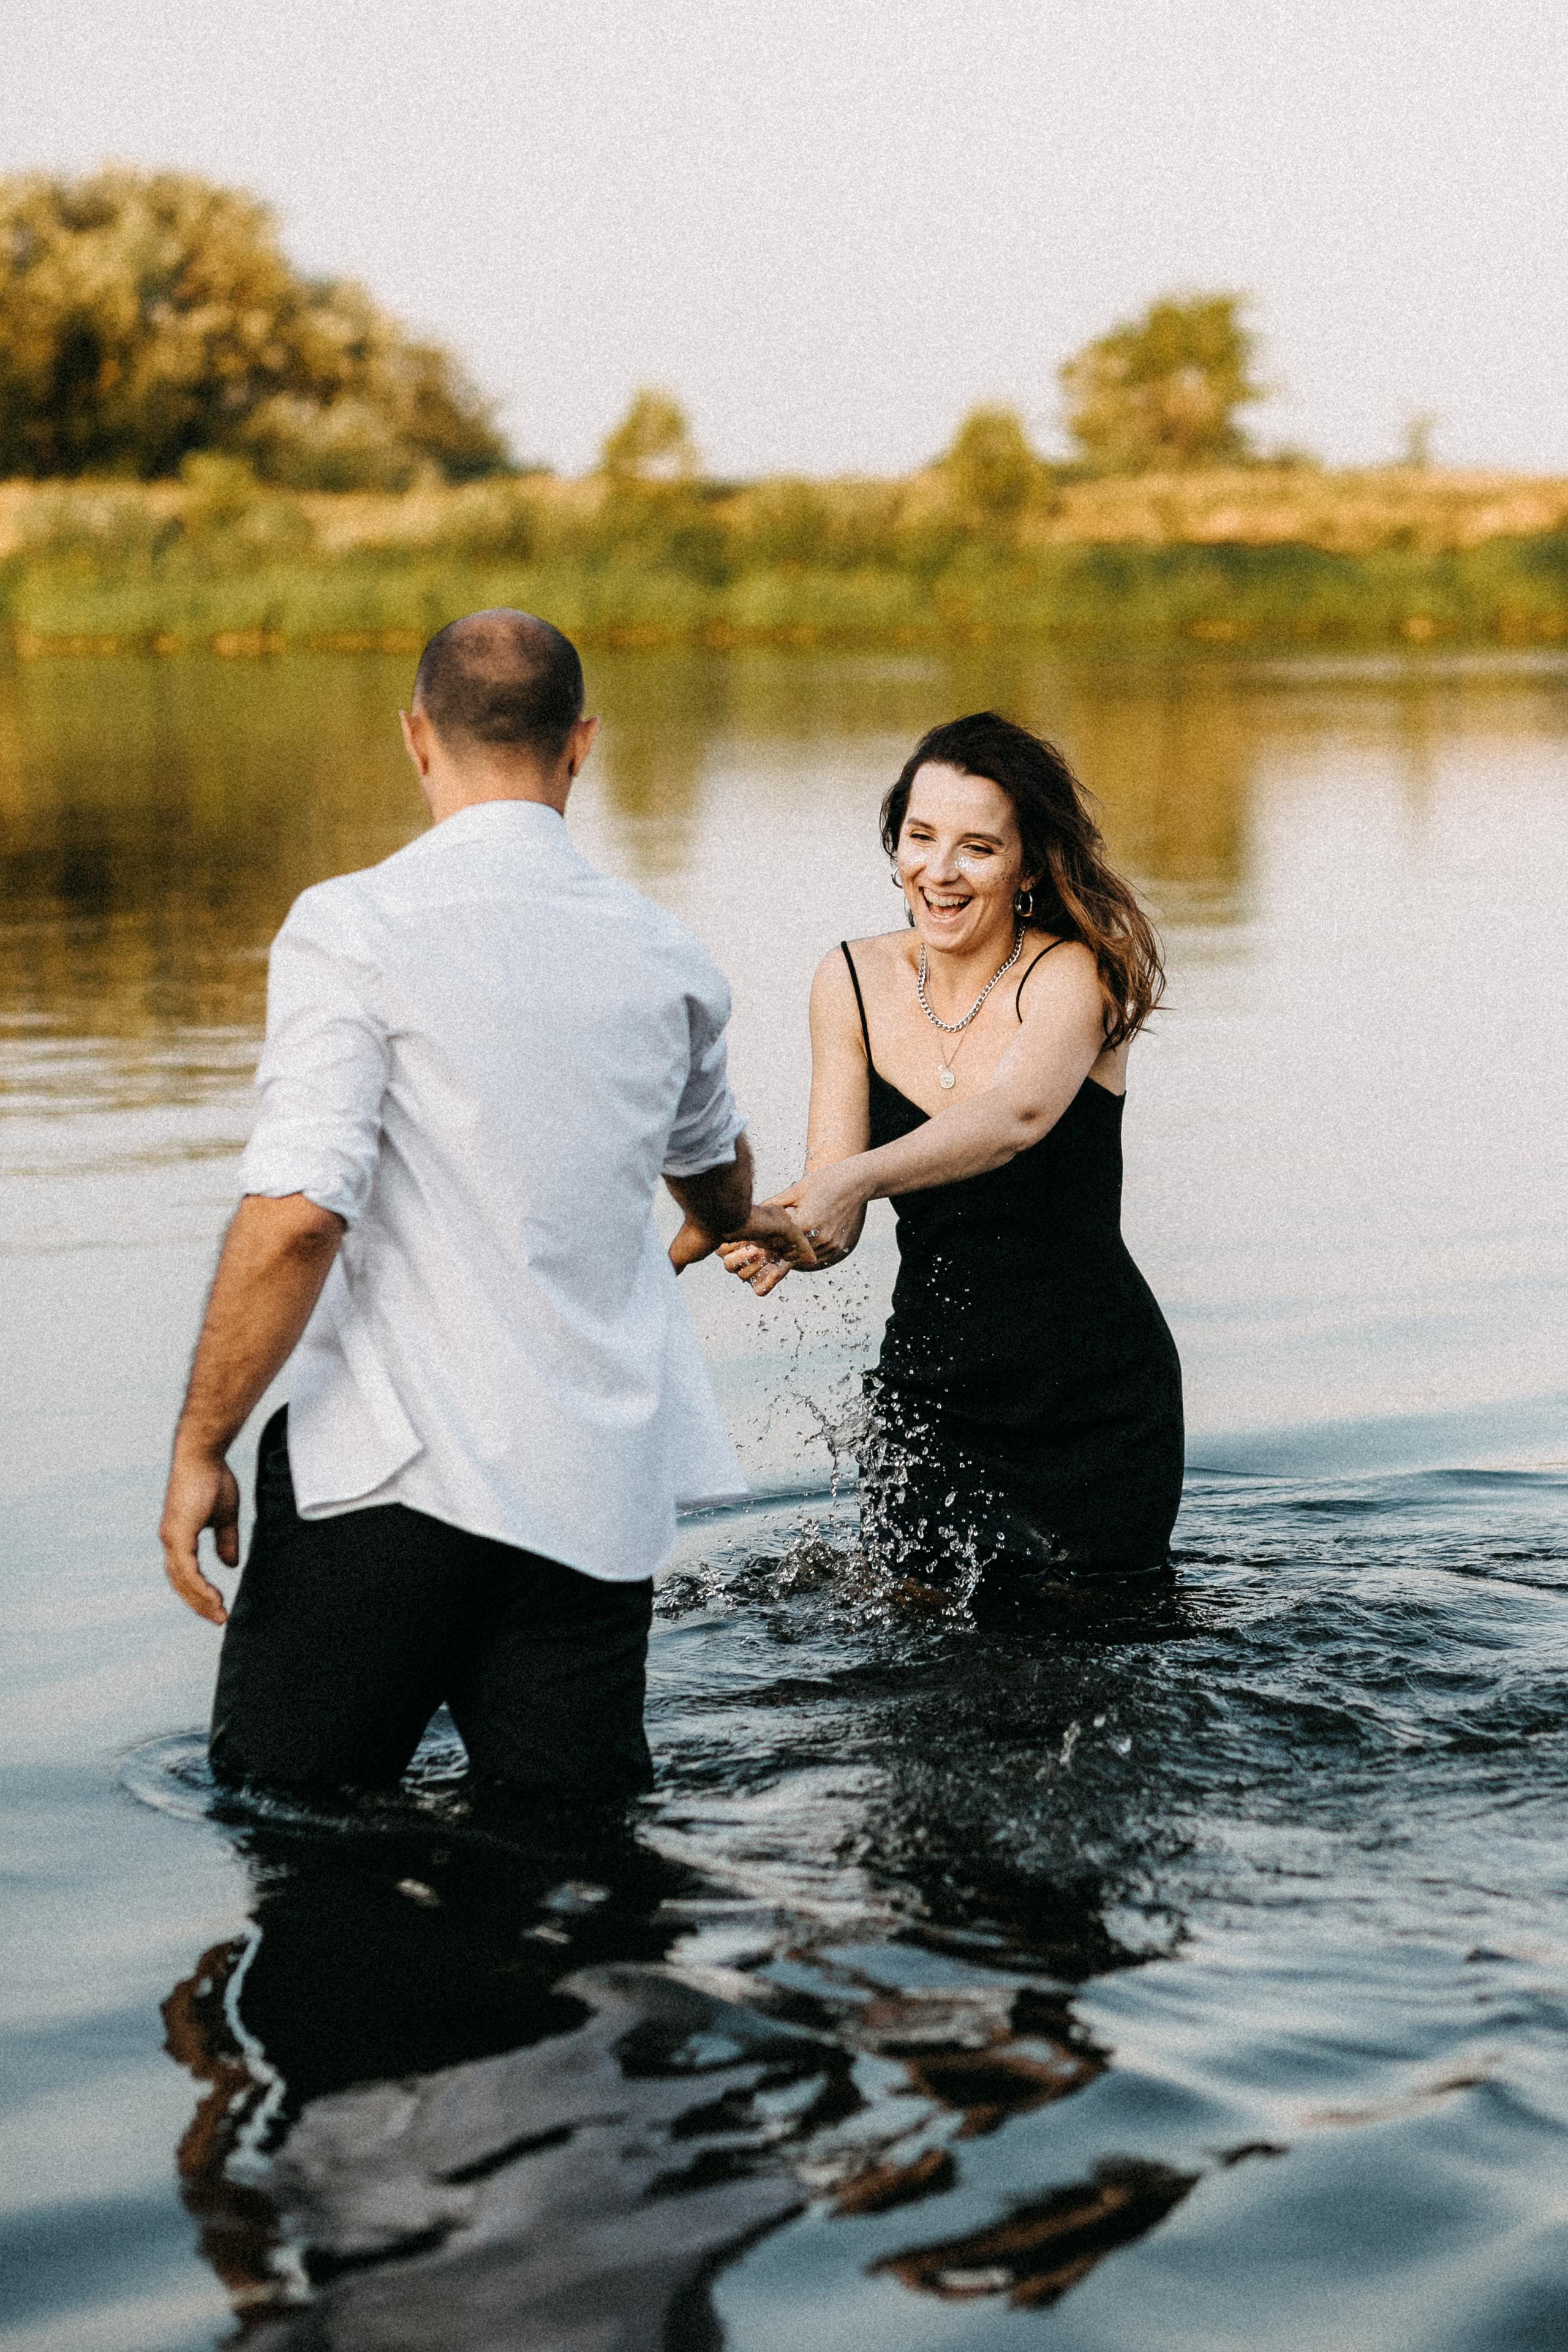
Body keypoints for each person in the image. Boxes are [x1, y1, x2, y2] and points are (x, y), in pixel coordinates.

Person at [159, 609, 809, 1802]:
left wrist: (202, 1444)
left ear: (416, 739)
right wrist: (732, 1217)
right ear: (582, 745)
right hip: (590, 1501)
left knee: (284, 1819)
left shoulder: (351, 930)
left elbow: (300, 1217)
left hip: (386, 1491)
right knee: (576, 1860)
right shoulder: (667, 957)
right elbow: (715, 1175)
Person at [718, 711, 1183, 1602]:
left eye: (977, 847)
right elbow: (839, 1218)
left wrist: (849, 1179)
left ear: (1029, 864)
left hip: (1094, 1399)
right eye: (921, 837)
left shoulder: (1075, 975)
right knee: (914, 1686)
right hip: (931, 1397)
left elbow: (1015, 1116)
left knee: (1094, 1661)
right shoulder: (849, 979)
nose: (939, 870)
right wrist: (783, 1225)